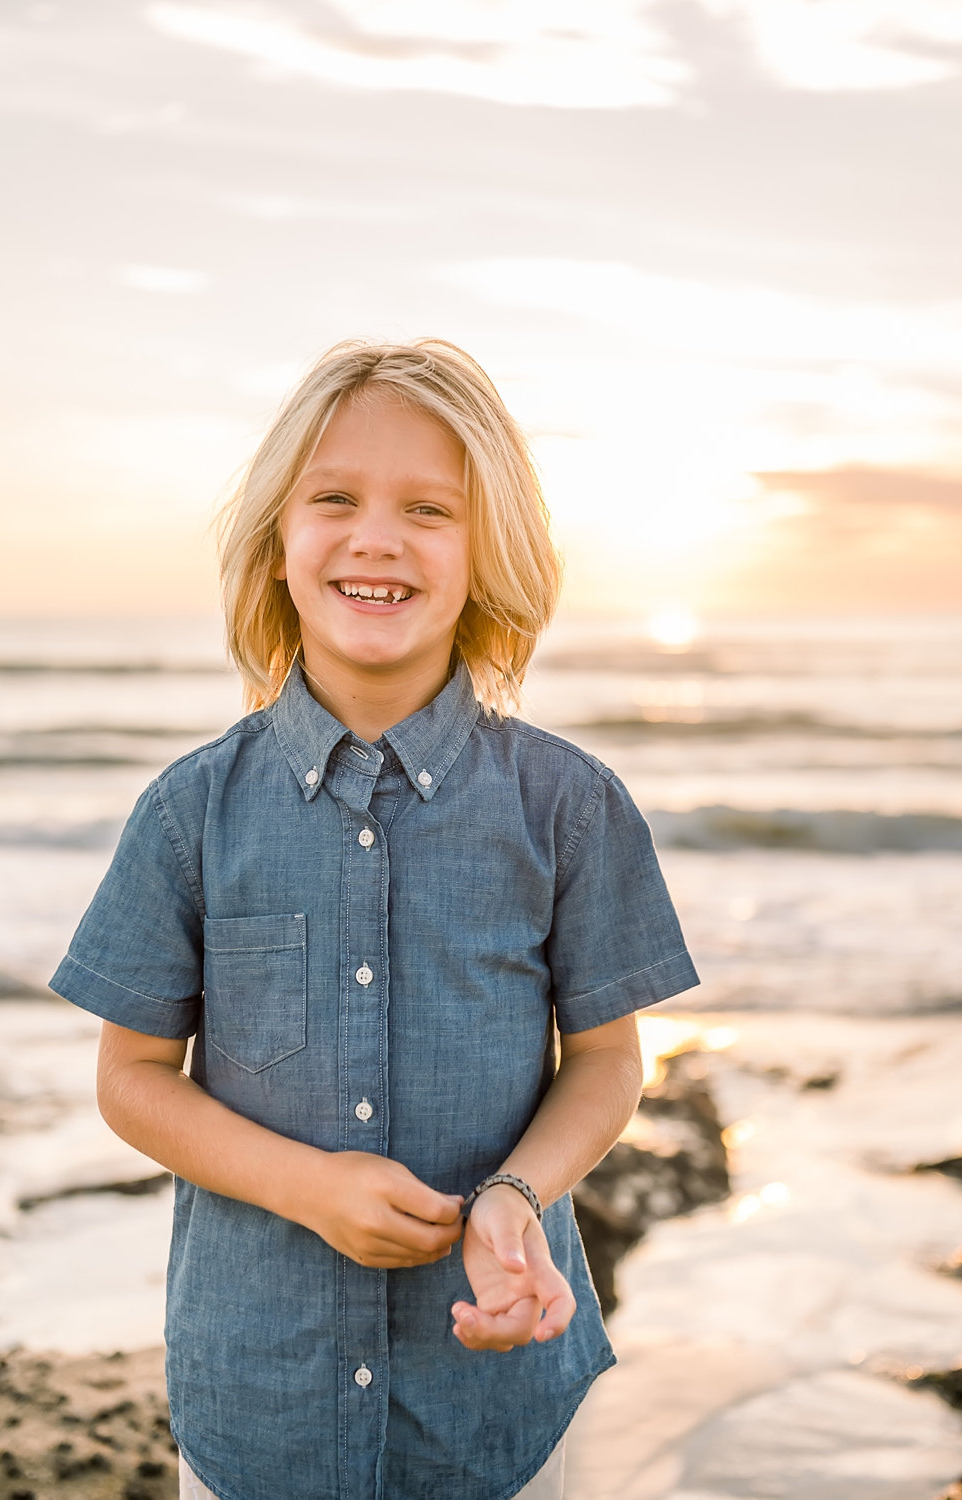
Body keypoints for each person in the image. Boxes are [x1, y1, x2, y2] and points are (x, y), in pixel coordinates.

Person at [50, 339, 699, 1500]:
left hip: (499, 1420)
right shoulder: (190, 812)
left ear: (486, 550)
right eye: (334, 498)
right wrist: (307, 1187)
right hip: (260, 1407)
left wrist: (515, 1197)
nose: (377, 538)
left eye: (429, 508)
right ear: (278, 543)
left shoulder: (567, 804)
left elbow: (605, 1060)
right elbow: (133, 1077)